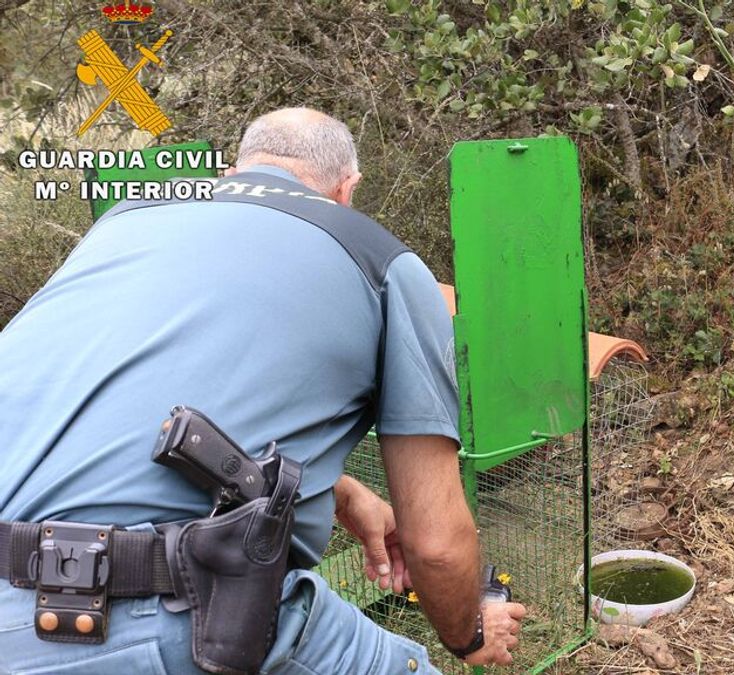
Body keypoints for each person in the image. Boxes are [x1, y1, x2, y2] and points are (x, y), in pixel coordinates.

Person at [0, 107, 525, 673]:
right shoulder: (380, 260)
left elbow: (130, 423)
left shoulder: (124, 223)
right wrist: (470, 634)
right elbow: (436, 543)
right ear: (347, 189)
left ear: (231, 171)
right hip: (155, 614)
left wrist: (345, 495)